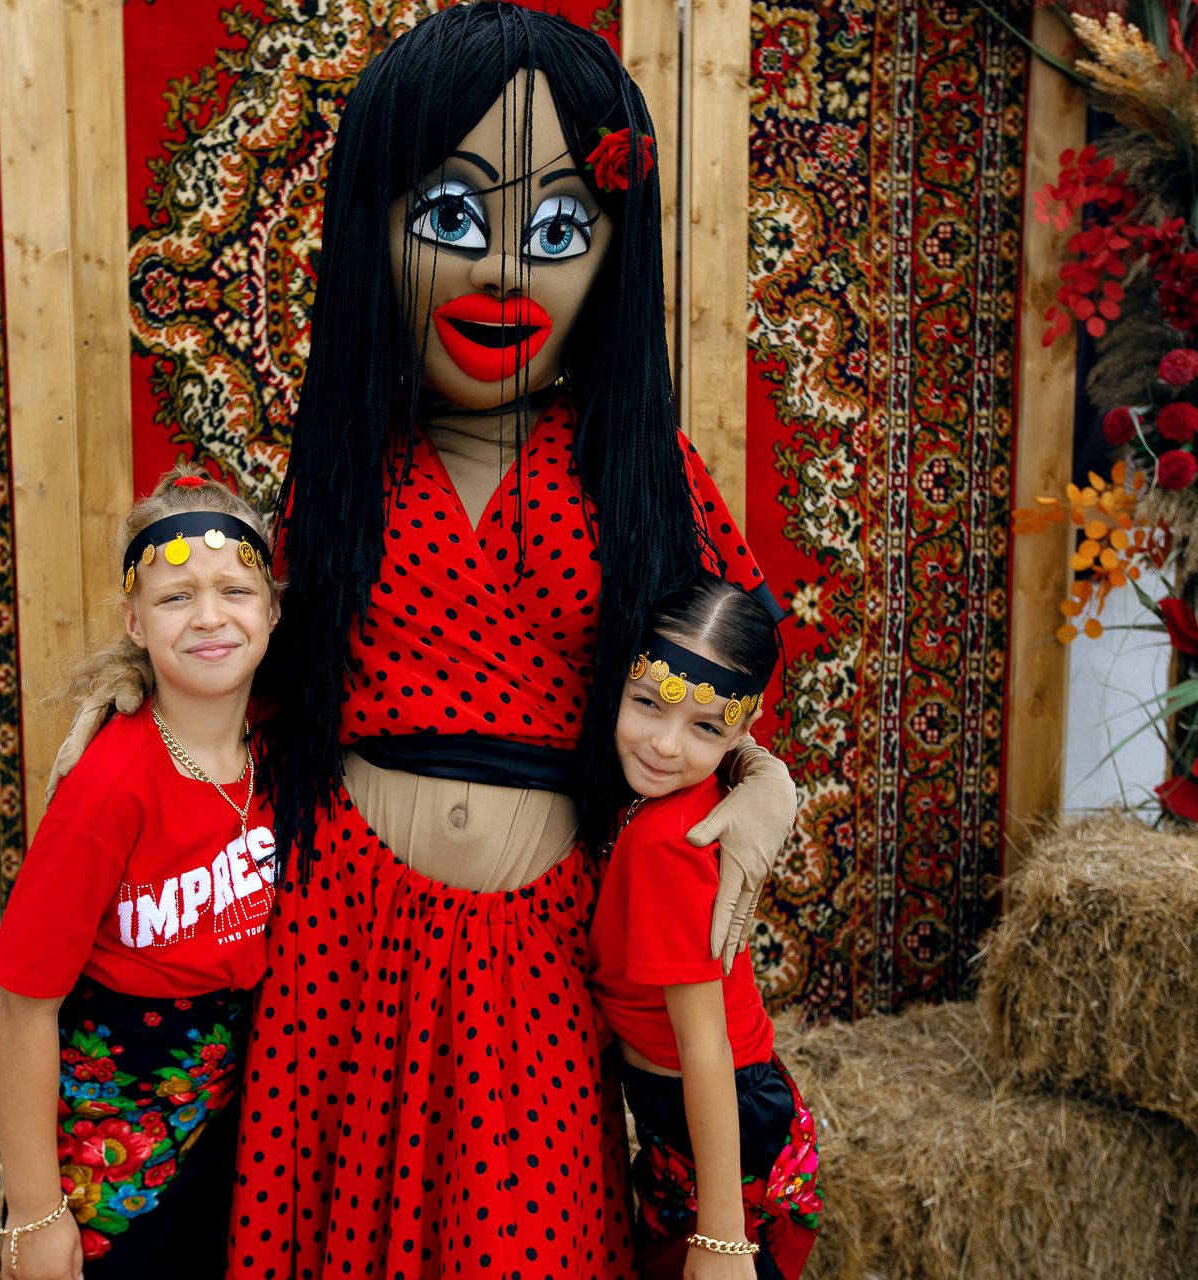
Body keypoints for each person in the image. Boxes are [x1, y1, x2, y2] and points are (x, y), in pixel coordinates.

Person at [46, 7, 797, 1277]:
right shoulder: (346, 464)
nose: (502, 270)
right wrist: (134, 689)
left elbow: (730, 665)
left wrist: (764, 778)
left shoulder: (643, 472)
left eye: (555, 230)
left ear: (613, 256)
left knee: (529, 1238)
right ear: (376, 234)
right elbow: (260, 656)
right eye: (451, 214)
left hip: (539, 947)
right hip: (342, 930)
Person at [0, 467, 282, 1279]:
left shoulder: (283, 746)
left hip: (238, 1114)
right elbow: (23, 1009)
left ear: (272, 610)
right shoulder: (109, 789)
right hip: (119, 1128)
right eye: (176, 597)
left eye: (235, 590)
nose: (210, 616)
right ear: (135, 622)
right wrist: (34, 1212)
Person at [592, 575, 822, 1280]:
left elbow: (704, 1045)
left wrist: (722, 1239)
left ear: (743, 732)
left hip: (719, 1119)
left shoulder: (667, 841)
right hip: (709, 1108)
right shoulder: (666, 798)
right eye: (647, 704)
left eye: (705, 728)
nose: (665, 745)